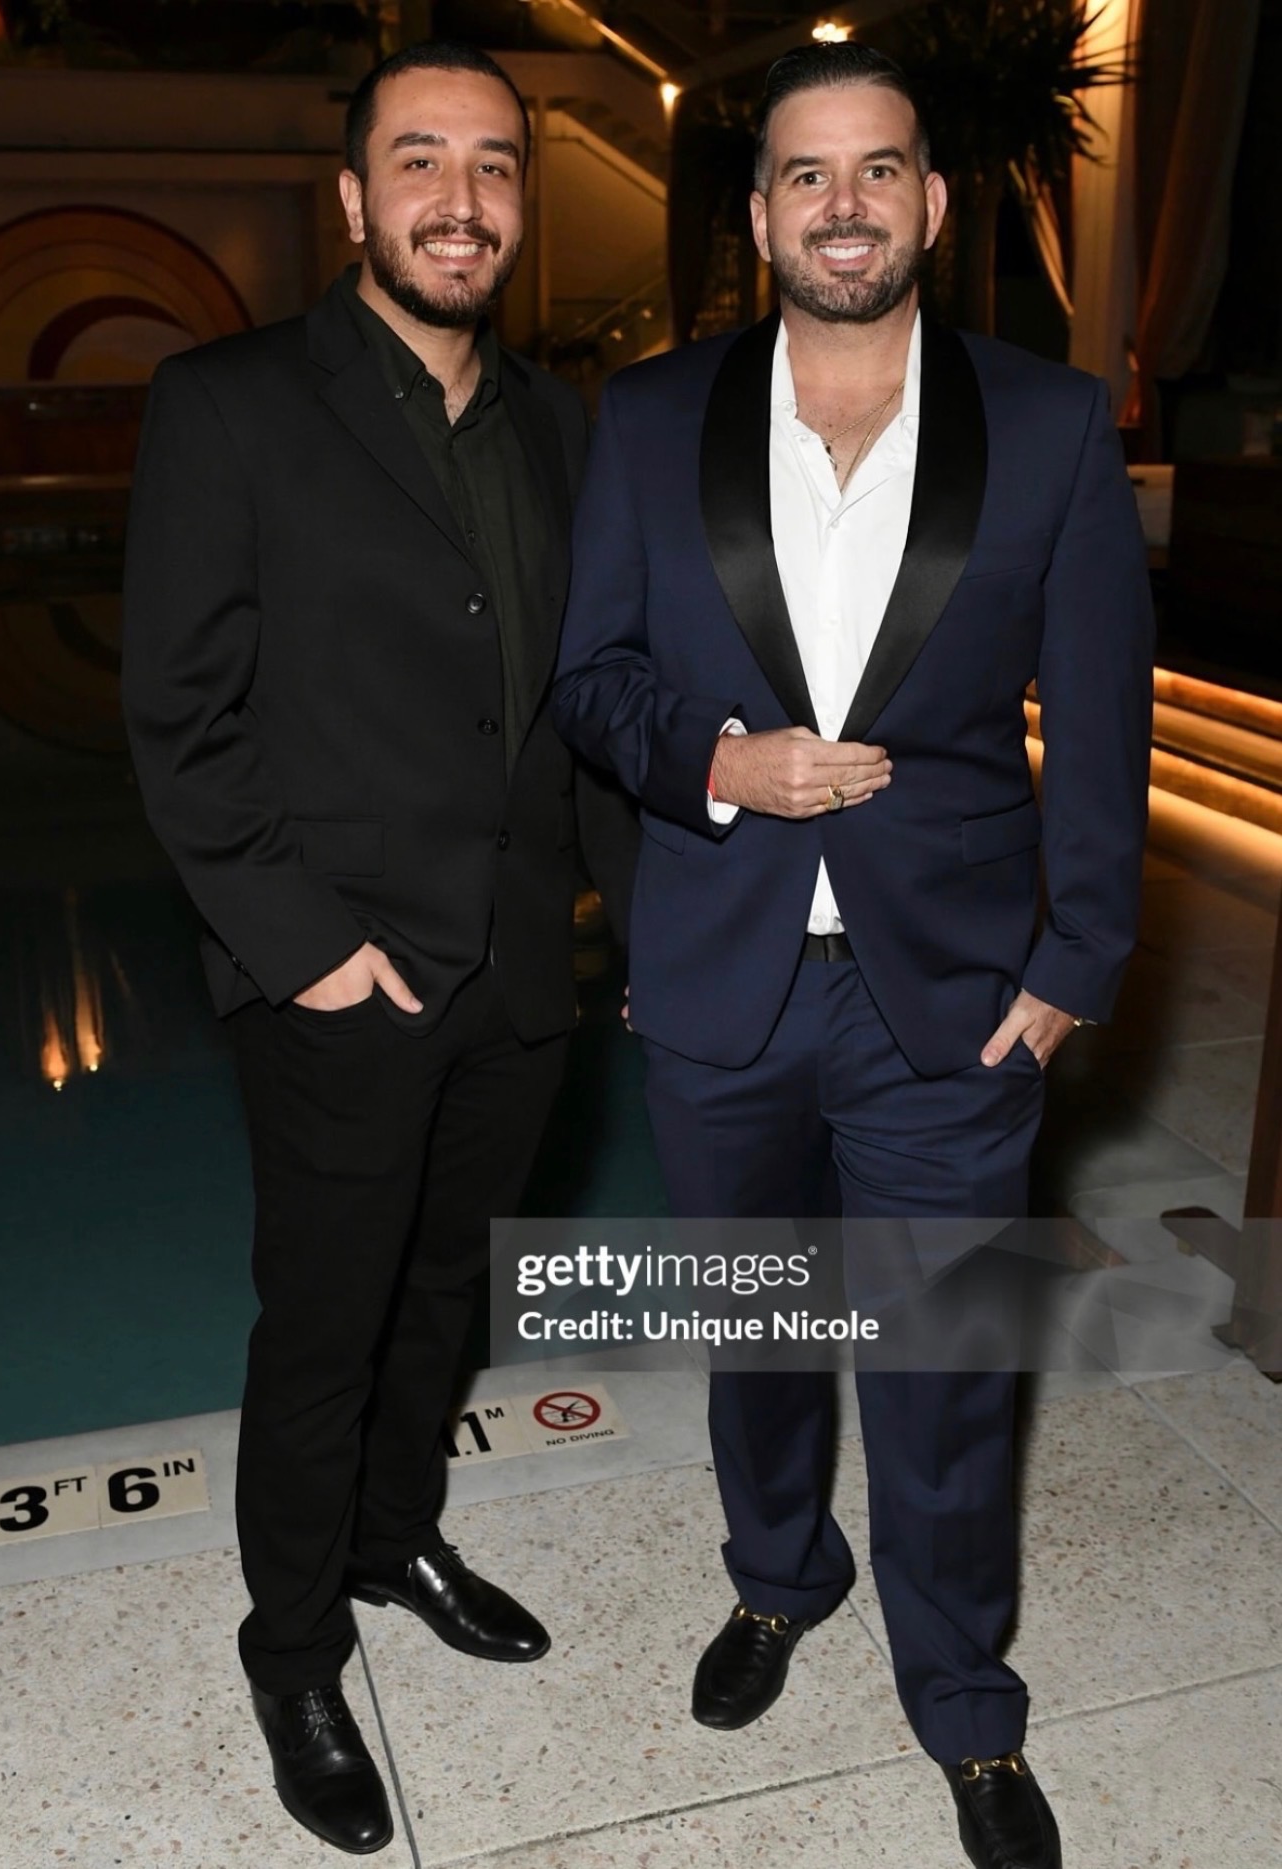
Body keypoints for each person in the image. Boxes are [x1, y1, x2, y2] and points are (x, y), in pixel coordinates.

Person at [553, 40, 1152, 1869]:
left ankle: (966, 1700)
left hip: (956, 998)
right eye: (807, 177)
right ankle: (776, 1576)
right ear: (758, 215)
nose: (843, 205)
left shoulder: (1045, 426)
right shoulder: (652, 419)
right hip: (725, 973)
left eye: (878, 171)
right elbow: (591, 684)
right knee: (758, 1330)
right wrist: (716, 769)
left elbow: (1106, 717)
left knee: (948, 1361)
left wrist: (1077, 963)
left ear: (931, 201)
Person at [122, 41, 634, 1857]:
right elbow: (182, 723)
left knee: (448, 1292)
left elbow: (584, 698)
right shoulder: (229, 402)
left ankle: (399, 1530)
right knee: (326, 1323)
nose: (461, 197)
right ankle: (292, 1639)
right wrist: (315, 953)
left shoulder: (567, 424)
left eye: (495, 165)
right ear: (352, 201)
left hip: (516, 967)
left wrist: (621, 923)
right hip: (339, 974)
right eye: (419, 160)